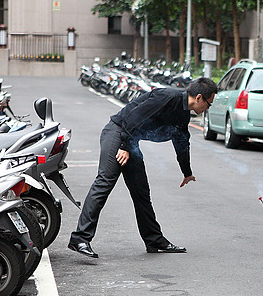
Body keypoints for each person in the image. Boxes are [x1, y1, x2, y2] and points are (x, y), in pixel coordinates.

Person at [68, 77, 218, 258]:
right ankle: (80, 238)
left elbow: (182, 142)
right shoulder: (167, 97)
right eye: (209, 104)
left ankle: (154, 240)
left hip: (129, 141)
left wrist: (187, 172)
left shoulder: (183, 113)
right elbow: (133, 116)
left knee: (141, 192)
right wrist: (124, 146)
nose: (208, 109)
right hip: (118, 133)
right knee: (105, 182)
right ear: (200, 97)